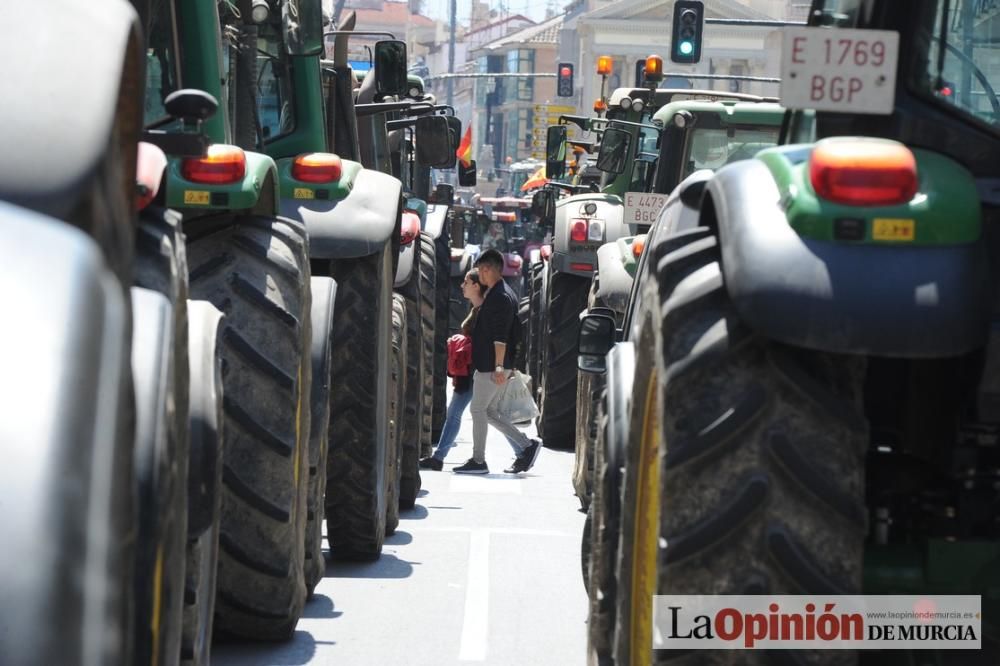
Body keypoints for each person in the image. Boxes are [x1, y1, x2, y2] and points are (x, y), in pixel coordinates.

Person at [419, 270, 521, 470]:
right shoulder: (476, 308)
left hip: (478, 369)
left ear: (476, 286)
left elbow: (493, 339)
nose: (461, 285)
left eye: (466, 282)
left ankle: (520, 449)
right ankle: (440, 457)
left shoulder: (485, 309)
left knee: (482, 413)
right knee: (471, 412)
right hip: (471, 368)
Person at [453, 249, 541, 475]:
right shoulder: (500, 293)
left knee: (478, 409)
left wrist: (500, 367)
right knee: (489, 412)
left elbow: (500, 336)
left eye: (481, 271)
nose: (479, 276)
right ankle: (526, 445)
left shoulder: (500, 297)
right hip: (492, 364)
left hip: (492, 366)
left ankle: (478, 460)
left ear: (487, 269)